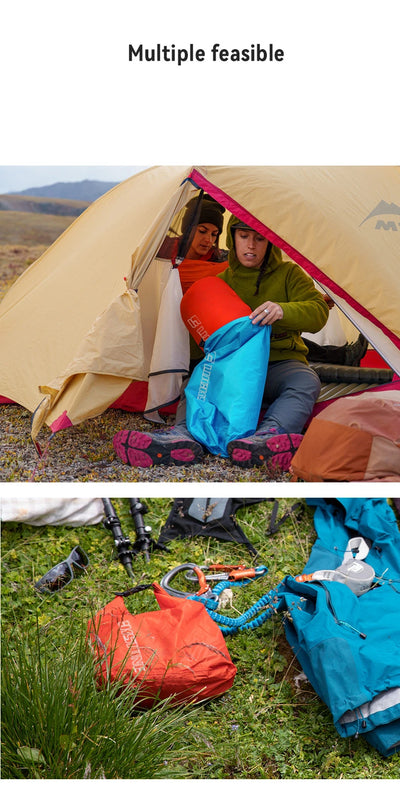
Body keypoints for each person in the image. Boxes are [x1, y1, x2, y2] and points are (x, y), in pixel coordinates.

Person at [113, 214, 330, 471]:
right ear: (233, 238)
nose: (251, 245)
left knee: (305, 381)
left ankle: (268, 437)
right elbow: (204, 343)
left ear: (270, 242)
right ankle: (182, 436)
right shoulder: (220, 282)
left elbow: (318, 313)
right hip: (233, 370)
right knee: (198, 379)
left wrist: (283, 310)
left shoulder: (289, 274)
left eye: (260, 238)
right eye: (244, 236)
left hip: (279, 362)